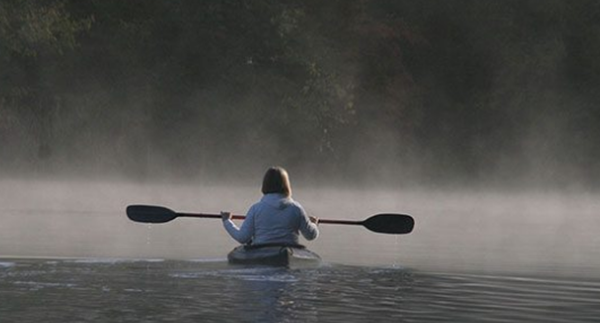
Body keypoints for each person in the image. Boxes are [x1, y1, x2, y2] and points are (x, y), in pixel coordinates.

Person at [221, 166, 319, 246]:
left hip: (261, 251)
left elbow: (242, 238)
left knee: (249, 243)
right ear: (286, 185)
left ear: (265, 185)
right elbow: (310, 235)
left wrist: (227, 221)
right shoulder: (297, 209)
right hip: (289, 250)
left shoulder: (256, 208)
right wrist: (313, 224)